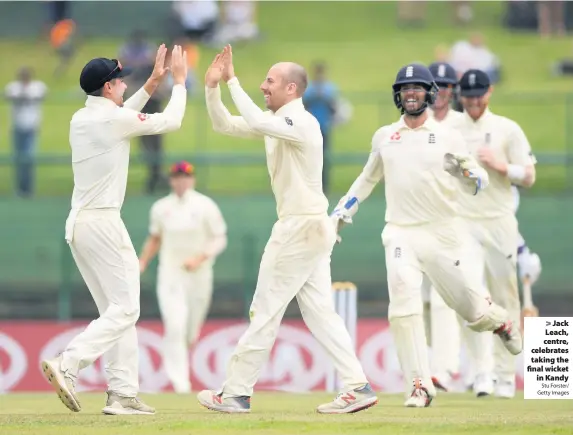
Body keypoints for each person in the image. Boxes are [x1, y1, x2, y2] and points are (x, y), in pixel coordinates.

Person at [197, 45, 377, 414]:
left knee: (264, 310)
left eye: (270, 81)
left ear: (291, 89)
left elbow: (259, 122)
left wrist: (233, 79)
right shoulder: (278, 122)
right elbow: (225, 124)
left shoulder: (301, 123)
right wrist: (212, 88)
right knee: (321, 313)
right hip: (310, 226)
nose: (263, 86)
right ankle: (358, 387)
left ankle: (236, 392)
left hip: (300, 227)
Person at [332, 63, 523, 408]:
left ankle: (501, 322)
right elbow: (367, 178)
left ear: (429, 94)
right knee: (402, 307)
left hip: (441, 234)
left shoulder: (447, 135)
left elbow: (476, 176)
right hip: (401, 233)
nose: (411, 94)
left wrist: (467, 173)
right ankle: (420, 385)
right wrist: (343, 210)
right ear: (398, 96)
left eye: (417, 89)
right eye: (405, 90)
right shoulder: (385, 136)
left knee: (472, 312)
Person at [40, 45, 188, 415]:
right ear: (108, 88)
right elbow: (170, 122)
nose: (124, 84)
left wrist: (154, 82)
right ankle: (69, 363)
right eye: (120, 80)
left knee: (117, 311)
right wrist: (180, 83)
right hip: (103, 222)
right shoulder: (111, 121)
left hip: (80, 224)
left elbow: (122, 116)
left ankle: (122, 393)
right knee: (125, 310)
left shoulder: (84, 118)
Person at [456, 69, 536, 399]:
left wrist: (503, 166)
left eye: (479, 95)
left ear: (488, 93)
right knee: (471, 298)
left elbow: (529, 176)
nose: (474, 102)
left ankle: (505, 376)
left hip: (500, 222)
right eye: (468, 96)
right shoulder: (450, 129)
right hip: (463, 223)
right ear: (461, 96)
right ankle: (481, 373)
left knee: (505, 298)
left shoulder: (507, 129)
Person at [425, 62, 495, 397]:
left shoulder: (462, 125)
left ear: (454, 89)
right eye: (434, 84)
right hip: (428, 227)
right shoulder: (414, 126)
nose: (439, 91)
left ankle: (481, 371)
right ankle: (444, 370)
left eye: (445, 85)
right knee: (435, 302)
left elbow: (481, 177)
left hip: (466, 225)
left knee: (468, 297)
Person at [139, 160, 228, 394]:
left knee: (190, 330)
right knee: (174, 324)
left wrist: (199, 258)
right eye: (177, 178)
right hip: (171, 273)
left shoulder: (205, 205)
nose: (181, 182)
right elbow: (155, 238)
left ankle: (182, 362)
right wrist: (142, 261)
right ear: (171, 180)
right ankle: (181, 383)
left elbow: (219, 238)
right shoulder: (161, 207)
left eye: (185, 177)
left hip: (199, 274)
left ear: (192, 179)